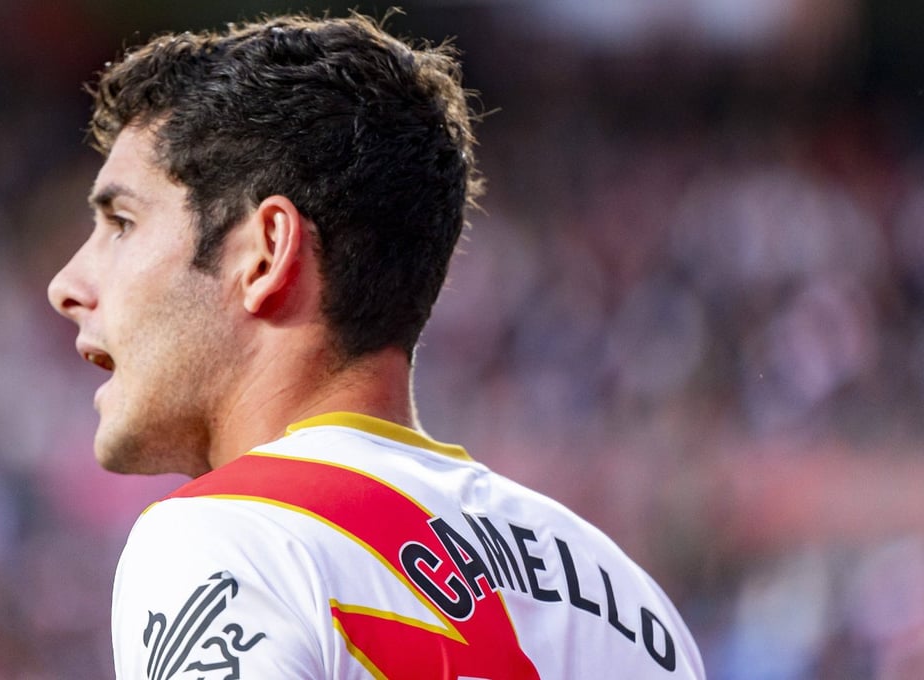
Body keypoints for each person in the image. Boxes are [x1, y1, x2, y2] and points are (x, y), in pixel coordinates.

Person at [47, 12, 705, 679]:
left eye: (122, 223)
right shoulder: (633, 604)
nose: (66, 286)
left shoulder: (231, 537)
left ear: (265, 255)